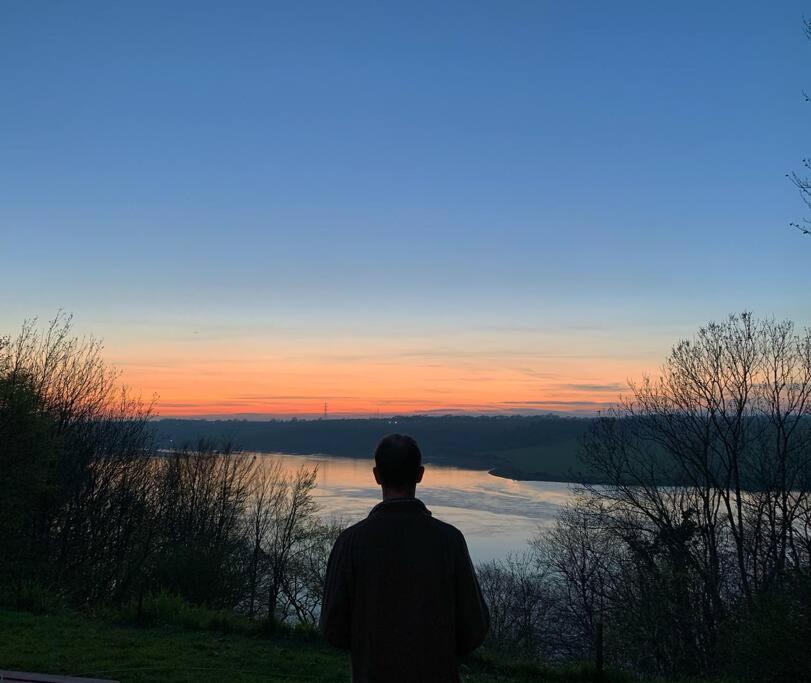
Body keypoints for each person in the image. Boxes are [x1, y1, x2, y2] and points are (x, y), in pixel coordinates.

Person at [319, 433, 490, 682]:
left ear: (377, 475)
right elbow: (474, 629)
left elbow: (332, 629)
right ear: (420, 474)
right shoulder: (449, 540)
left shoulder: (351, 542)